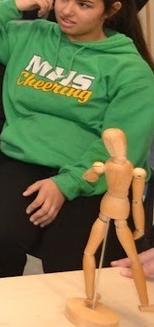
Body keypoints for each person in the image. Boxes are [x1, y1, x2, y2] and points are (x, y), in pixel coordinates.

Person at [0, 0, 154, 279]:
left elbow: (123, 149)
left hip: (92, 173)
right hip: (27, 161)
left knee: (69, 264)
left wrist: (66, 184)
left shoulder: (130, 70)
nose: (67, 11)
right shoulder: (32, 36)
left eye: (84, 5)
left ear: (110, 11)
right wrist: (17, 4)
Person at [77, 128, 151, 312]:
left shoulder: (133, 171)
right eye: (109, 143)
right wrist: (94, 171)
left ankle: (145, 303)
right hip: (107, 211)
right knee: (89, 252)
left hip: (118, 214)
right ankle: (90, 296)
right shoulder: (109, 165)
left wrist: (141, 227)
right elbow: (87, 178)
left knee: (133, 259)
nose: (113, 148)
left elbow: (136, 201)